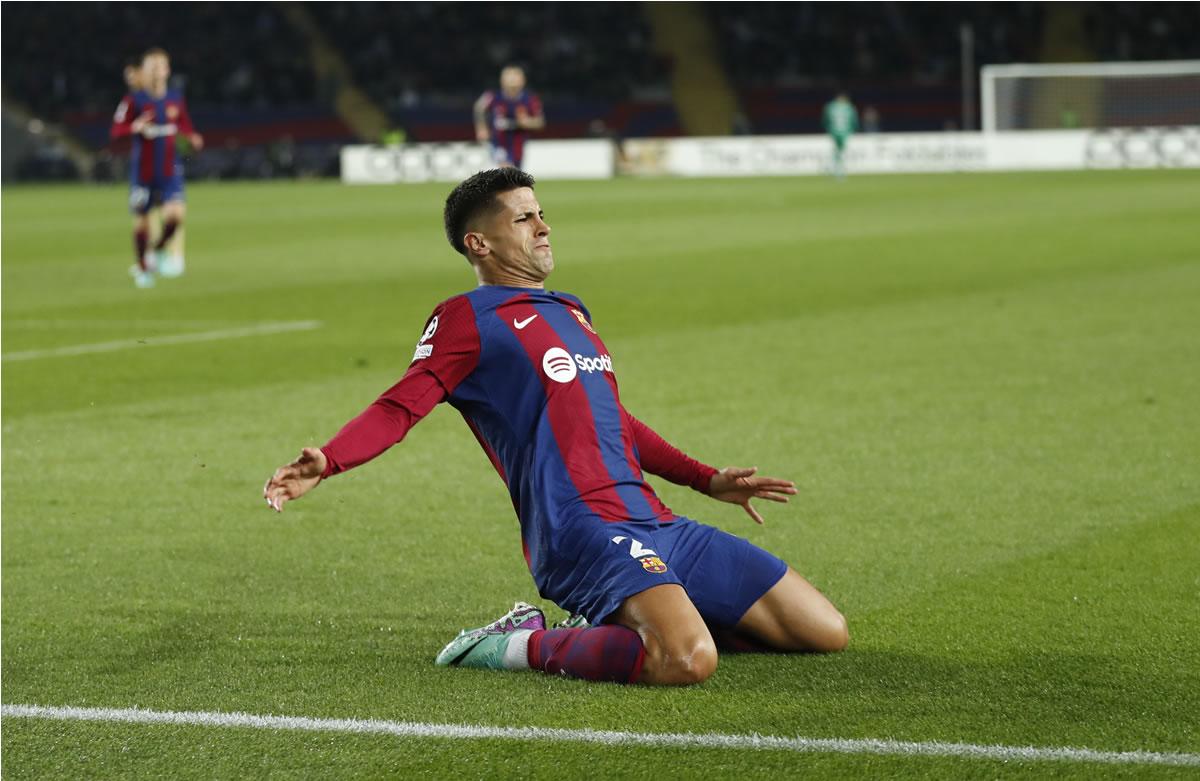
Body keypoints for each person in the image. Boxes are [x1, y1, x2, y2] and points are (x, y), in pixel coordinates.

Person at [264, 168, 848, 686]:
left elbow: (611, 421)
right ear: (479, 242)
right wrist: (331, 459)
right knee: (686, 661)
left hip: (655, 522)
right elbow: (400, 405)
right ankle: (513, 642)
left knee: (824, 631)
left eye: (542, 215)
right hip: (580, 529)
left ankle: (644, 617)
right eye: (524, 218)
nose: (543, 227)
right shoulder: (466, 320)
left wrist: (707, 480)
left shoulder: (571, 311)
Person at [110, 47, 203, 288]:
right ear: (144, 71)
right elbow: (116, 132)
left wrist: (193, 139)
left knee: (175, 217)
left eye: (159, 66)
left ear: (167, 70)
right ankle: (143, 267)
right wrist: (134, 127)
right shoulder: (134, 101)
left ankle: (159, 249)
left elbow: (186, 127)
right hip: (143, 171)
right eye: (150, 67)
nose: (155, 71)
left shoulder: (175, 99)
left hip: (170, 169)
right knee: (142, 222)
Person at [473, 65, 544, 170]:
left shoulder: (530, 99)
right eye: (509, 77)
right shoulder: (492, 96)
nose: (512, 81)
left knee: (515, 177)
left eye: (515, 77)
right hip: (498, 142)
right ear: (502, 80)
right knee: (507, 171)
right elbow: (479, 108)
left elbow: (540, 122)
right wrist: (481, 128)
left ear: (523, 80)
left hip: (518, 144)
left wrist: (527, 122)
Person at [822, 91, 859, 179]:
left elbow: (825, 120)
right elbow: (854, 120)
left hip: (834, 131)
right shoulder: (848, 107)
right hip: (845, 132)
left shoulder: (830, 106)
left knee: (837, 151)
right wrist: (854, 129)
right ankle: (839, 170)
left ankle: (837, 168)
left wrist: (828, 129)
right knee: (841, 151)